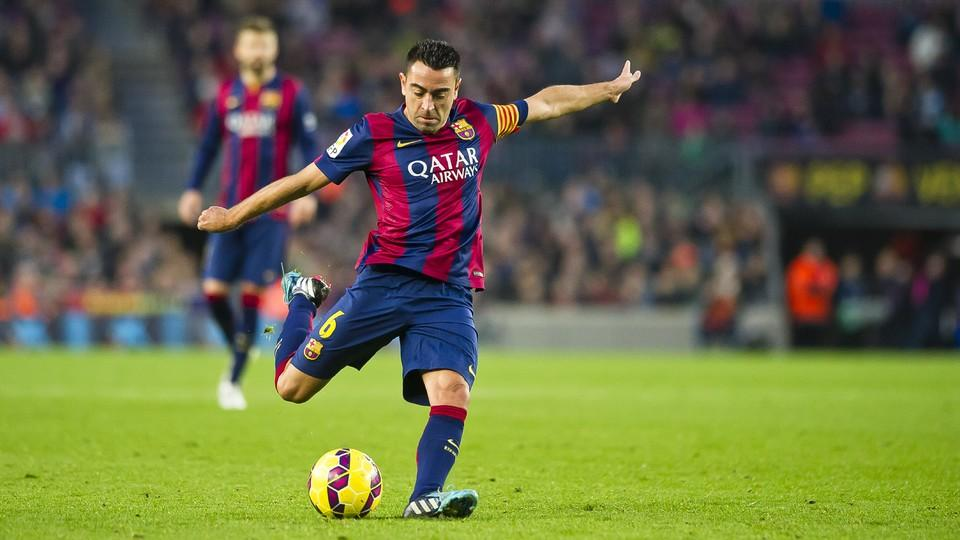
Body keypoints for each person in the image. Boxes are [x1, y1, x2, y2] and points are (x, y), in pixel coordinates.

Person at [197, 39, 641, 518]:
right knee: (291, 388)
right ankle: (303, 299)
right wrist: (233, 216)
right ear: (403, 84)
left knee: (452, 390)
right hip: (383, 284)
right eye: (420, 92)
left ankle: (423, 497)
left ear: (457, 89)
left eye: (441, 94)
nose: (429, 105)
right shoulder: (373, 133)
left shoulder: (478, 121)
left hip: (447, 294)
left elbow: (545, 103)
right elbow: (304, 180)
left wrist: (606, 90)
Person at [177, 17, 320, 410]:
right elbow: (207, 146)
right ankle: (241, 345)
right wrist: (192, 188)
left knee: (252, 295)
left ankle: (233, 379)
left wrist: (309, 195)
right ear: (238, 51)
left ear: (274, 49)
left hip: (271, 216)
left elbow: (310, 145)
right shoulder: (226, 94)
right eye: (252, 45)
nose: (258, 52)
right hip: (229, 209)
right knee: (213, 292)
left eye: (265, 44)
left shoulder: (292, 93)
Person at [785, 238, 838, 347]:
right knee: (802, 347)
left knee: (821, 347)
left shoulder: (827, 266)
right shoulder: (798, 266)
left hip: (821, 315)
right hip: (801, 315)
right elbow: (799, 288)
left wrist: (815, 287)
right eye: (813, 249)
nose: (816, 252)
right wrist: (815, 286)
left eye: (818, 249)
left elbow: (830, 287)